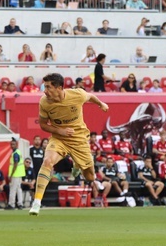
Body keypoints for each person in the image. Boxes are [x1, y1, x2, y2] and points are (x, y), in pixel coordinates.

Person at [30, 73, 108, 215]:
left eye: (48, 87)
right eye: (44, 87)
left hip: (79, 139)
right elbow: (43, 125)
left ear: (59, 88)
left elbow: (90, 96)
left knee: (90, 177)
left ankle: (76, 166)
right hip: (59, 138)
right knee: (47, 161)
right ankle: (37, 202)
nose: (44, 91)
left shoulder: (76, 95)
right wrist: (59, 130)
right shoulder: (44, 102)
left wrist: (101, 104)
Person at [7, 138, 25, 210]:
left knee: (13, 189)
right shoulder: (18, 152)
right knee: (18, 189)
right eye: (11, 144)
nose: (12, 146)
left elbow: (15, 164)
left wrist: (11, 175)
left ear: (16, 145)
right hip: (19, 173)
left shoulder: (15, 153)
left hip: (15, 174)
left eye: (13, 144)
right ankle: (20, 204)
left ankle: (11, 204)